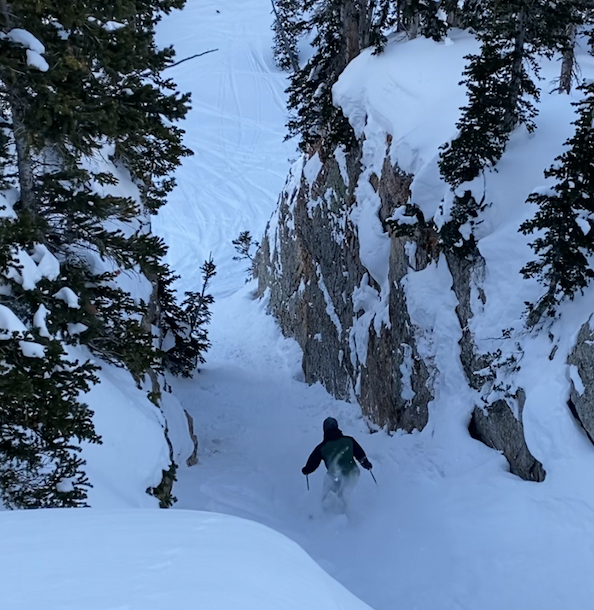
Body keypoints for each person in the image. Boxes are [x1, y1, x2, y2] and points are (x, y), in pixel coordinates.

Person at [301, 417, 372, 510]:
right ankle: (347, 512)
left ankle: (325, 513)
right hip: (352, 472)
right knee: (344, 494)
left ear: (324, 430)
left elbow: (313, 461)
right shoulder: (349, 440)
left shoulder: (322, 447)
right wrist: (366, 464)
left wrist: (307, 469)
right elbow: (360, 454)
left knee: (329, 493)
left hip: (334, 475)